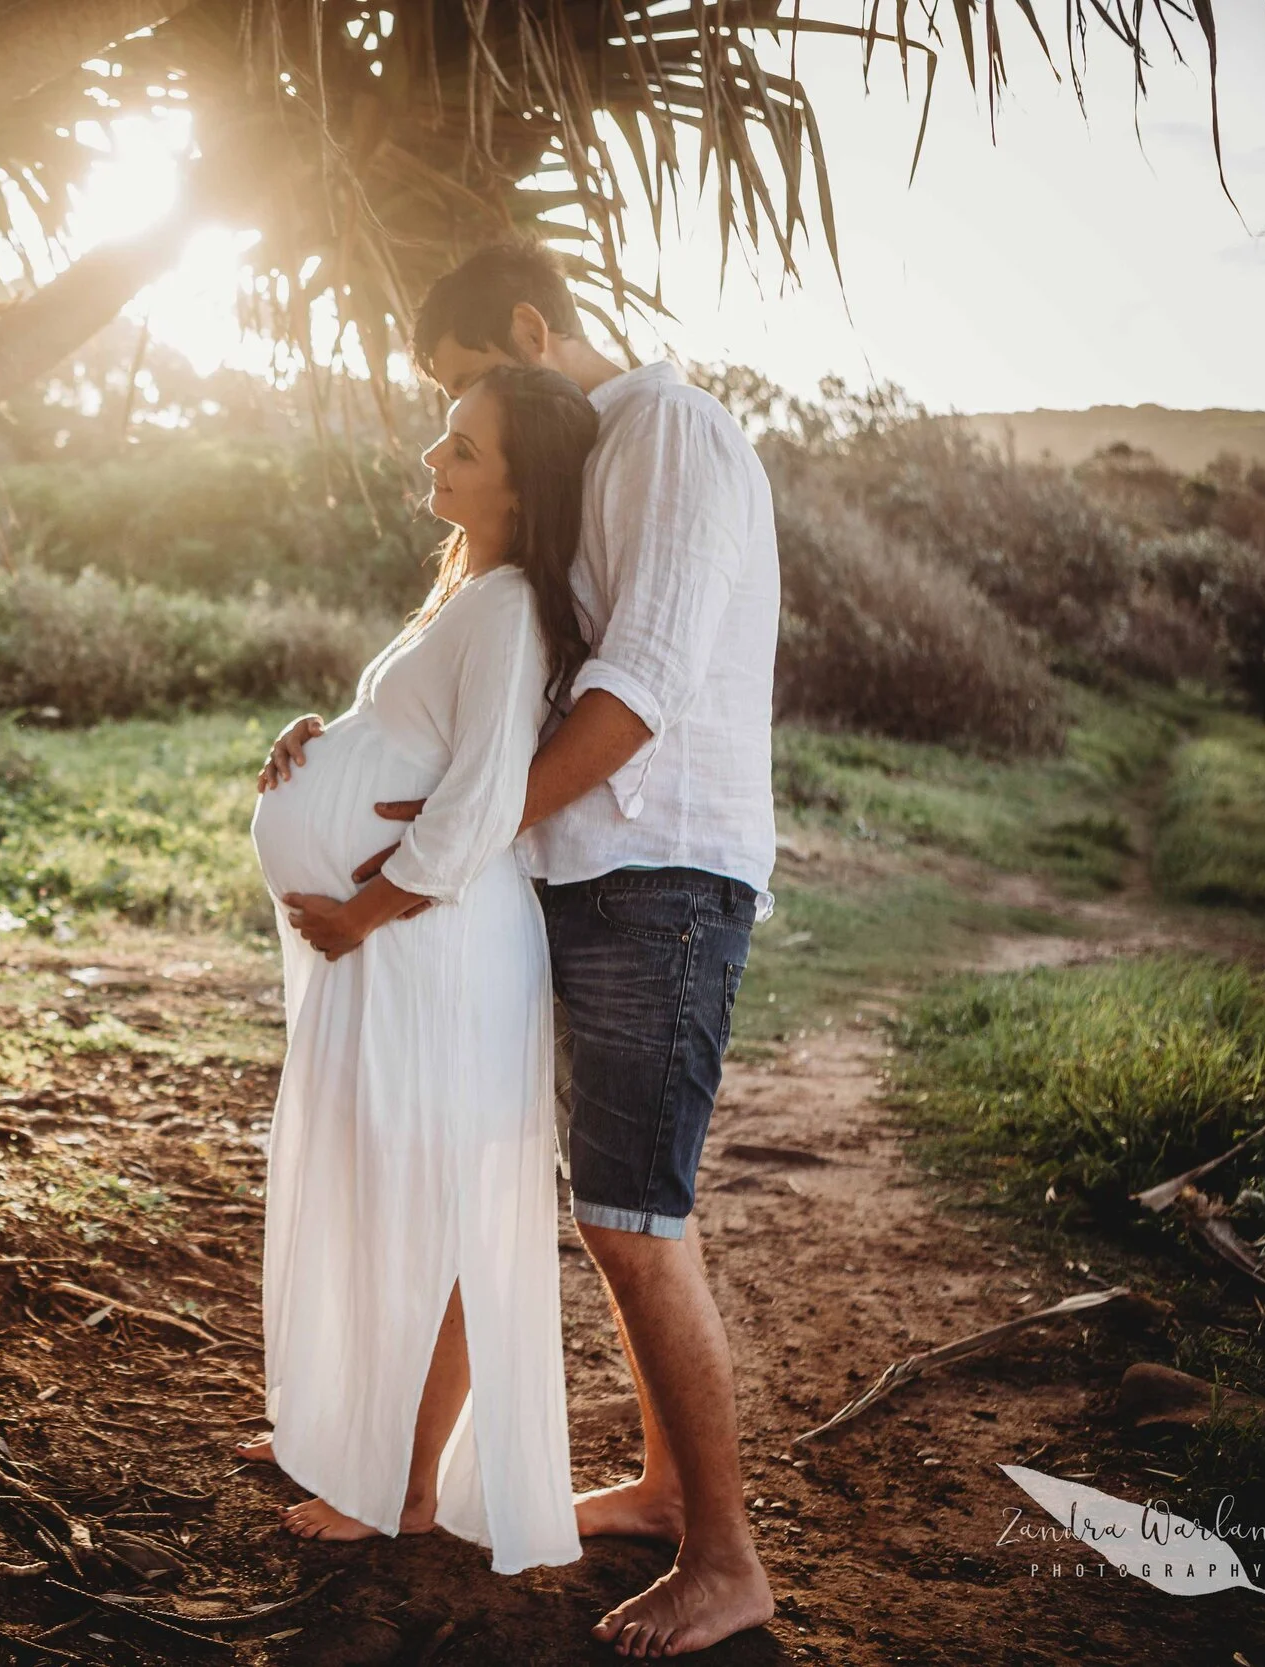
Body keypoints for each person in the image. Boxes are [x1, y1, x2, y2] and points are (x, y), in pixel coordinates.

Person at [341, 240, 783, 1659]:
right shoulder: (602, 455)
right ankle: (653, 1489)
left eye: (473, 383)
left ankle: (729, 1560)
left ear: (529, 327)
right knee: (596, 1203)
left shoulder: (666, 427)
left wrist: (460, 841)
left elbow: (636, 691)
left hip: (663, 878)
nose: (474, 424)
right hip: (587, 874)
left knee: (634, 1220)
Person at [246, 362, 600, 1579]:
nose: (432, 461)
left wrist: (369, 905)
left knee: (428, 1208)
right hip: (394, 940)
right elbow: (422, 743)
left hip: (427, 941)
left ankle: (398, 1486)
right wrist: (327, 739)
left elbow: (483, 789)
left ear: (519, 483)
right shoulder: (470, 590)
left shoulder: (509, 606)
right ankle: (346, 1429)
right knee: (378, 1185)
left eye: (461, 449)